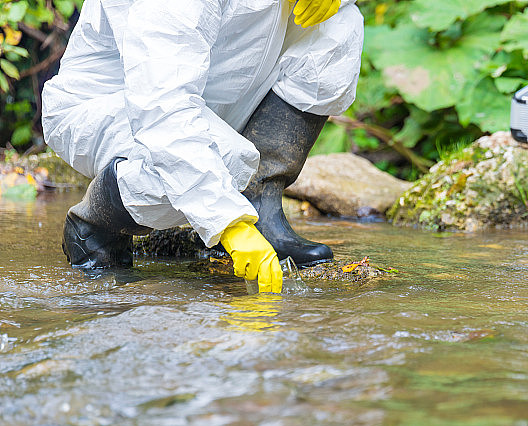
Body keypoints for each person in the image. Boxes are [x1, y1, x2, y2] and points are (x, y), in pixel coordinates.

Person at [42, 0, 364, 293]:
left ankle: (259, 206)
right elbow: (163, 110)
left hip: (214, 94)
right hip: (115, 103)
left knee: (339, 24)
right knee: (220, 159)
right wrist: (228, 223)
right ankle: (94, 224)